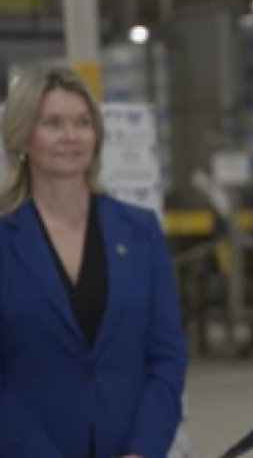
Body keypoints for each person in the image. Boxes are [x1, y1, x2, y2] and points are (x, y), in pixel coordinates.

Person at [0, 66, 188, 458]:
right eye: (52, 123)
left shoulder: (140, 231)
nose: (70, 136)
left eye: (82, 123)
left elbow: (167, 356)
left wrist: (144, 450)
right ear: (21, 137)